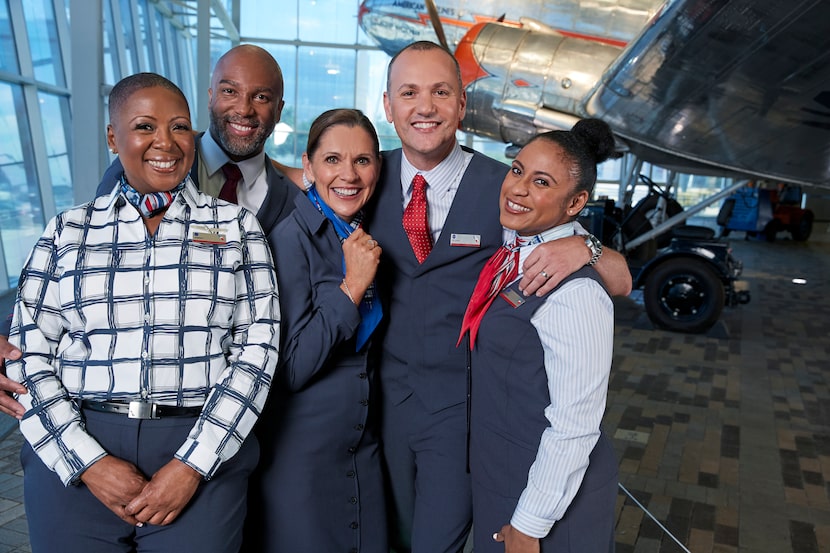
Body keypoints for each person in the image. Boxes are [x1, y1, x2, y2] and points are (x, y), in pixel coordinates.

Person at [366, 41, 632, 553]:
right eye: (409, 93)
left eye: (441, 92)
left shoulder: (503, 187)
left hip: (465, 415)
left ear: (462, 104)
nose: (425, 107)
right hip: (384, 408)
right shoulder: (364, 176)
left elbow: (619, 281)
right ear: (388, 105)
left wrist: (587, 245)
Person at [6, 73, 280, 552]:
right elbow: (29, 356)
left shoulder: (237, 228)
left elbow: (257, 352)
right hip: (78, 446)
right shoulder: (67, 232)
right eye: (144, 126)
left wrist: (192, 465)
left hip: (200, 450)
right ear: (114, 137)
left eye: (178, 127)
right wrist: (89, 463)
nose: (165, 143)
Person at [0, 44, 301, 418]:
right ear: (210, 96)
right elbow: (83, 263)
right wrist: (10, 336)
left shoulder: (293, 197)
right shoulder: (138, 167)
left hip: (247, 404)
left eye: (261, 97)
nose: (243, 108)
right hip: (122, 402)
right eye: (229, 91)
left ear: (278, 110)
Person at [462, 119, 619, 553]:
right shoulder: (518, 249)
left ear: (576, 203)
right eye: (517, 170)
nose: (518, 188)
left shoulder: (578, 293)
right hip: (509, 472)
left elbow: (575, 424)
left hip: (550, 499)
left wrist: (530, 523)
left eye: (542, 182)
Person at [244, 109, 387, 552]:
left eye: (363, 161)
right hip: (302, 457)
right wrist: (351, 288)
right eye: (332, 160)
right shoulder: (289, 240)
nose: (349, 174)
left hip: (360, 450)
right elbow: (290, 367)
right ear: (307, 166)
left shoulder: (359, 232)